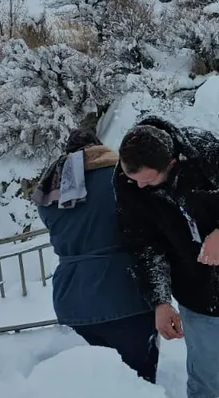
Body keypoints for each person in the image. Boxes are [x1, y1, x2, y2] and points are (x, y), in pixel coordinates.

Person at [113, 117, 219, 398]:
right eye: (133, 179)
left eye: (147, 179)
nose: (139, 186)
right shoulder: (128, 183)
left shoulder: (208, 149)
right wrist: (160, 301)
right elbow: (142, 245)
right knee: (202, 386)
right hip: (194, 291)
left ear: (171, 163)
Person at [33, 129, 159, 383]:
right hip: (125, 294)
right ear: (99, 147)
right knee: (139, 380)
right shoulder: (123, 176)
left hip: (72, 300)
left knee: (97, 383)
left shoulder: (51, 188)